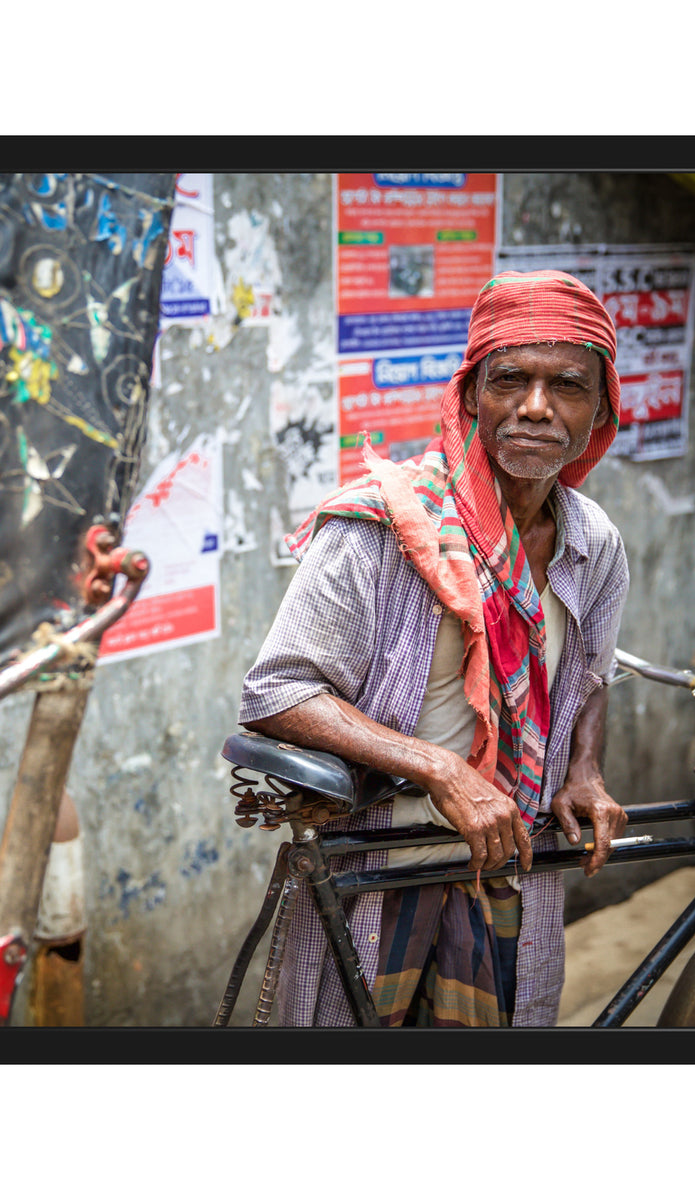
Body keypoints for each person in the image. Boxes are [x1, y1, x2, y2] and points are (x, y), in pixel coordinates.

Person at [239, 269, 630, 1027]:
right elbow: (277, 692)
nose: (536, 408)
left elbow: (588, 672)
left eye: (569, 386)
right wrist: (442, 768)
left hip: (509, 862)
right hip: (381, 868)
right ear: (471, 395)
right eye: (510, 379)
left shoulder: (594, 543)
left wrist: (584, 768)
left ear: (603, 408)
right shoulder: (381, 530)